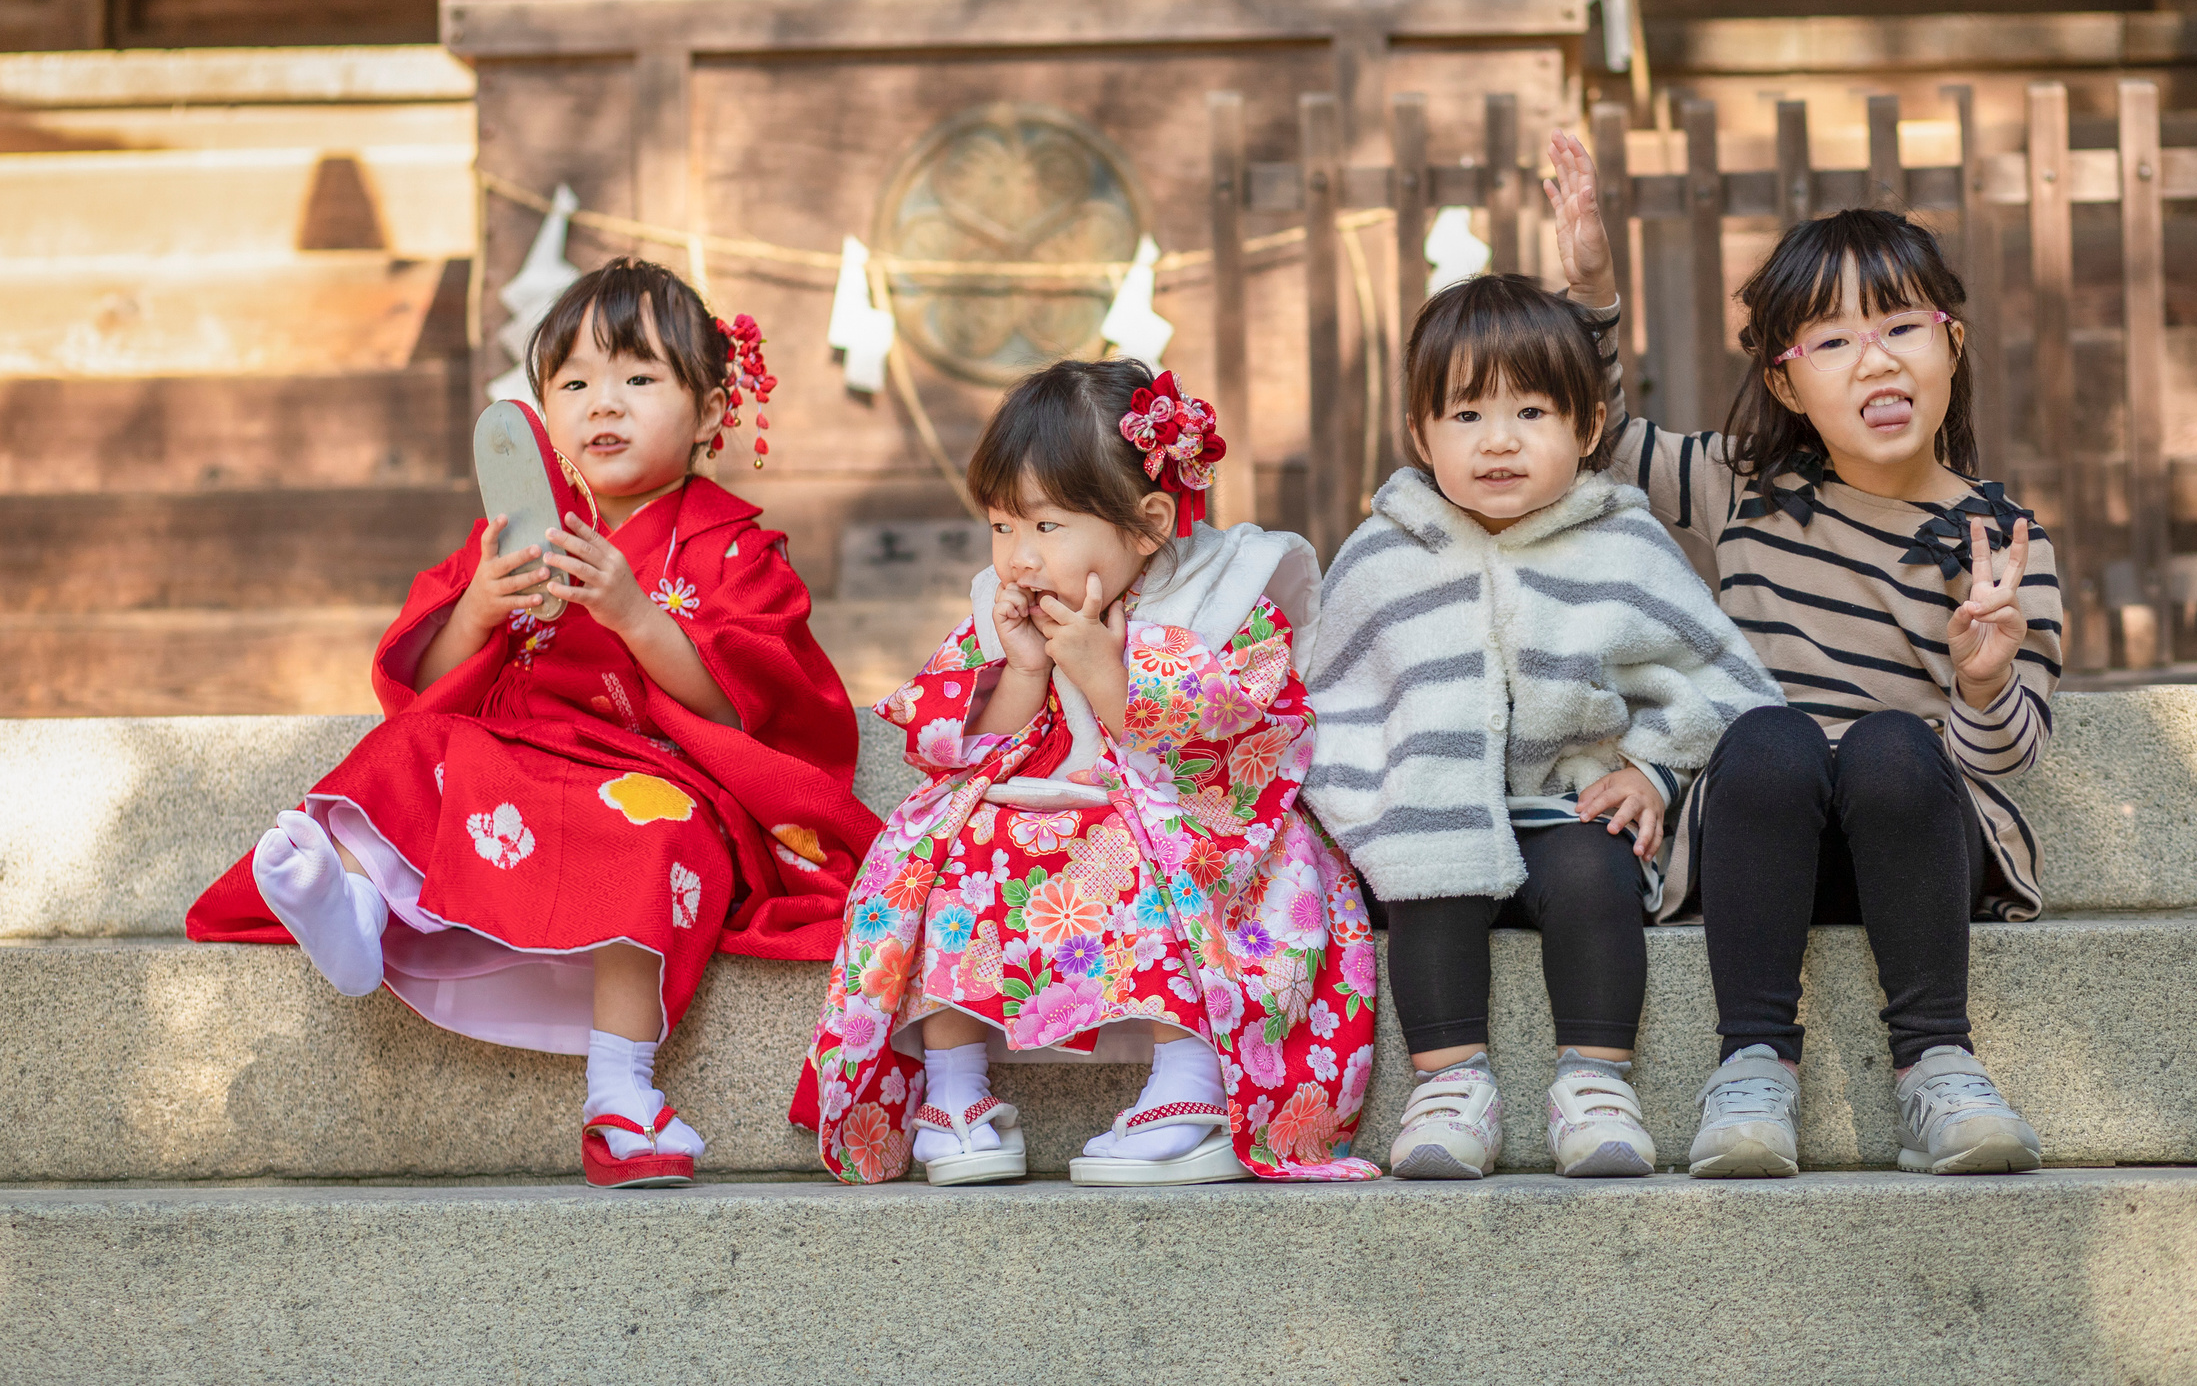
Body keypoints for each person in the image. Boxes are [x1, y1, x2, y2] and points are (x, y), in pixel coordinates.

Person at [186, 259, 876, 1189]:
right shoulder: (521, 526)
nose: (606, 404)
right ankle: (350, 912)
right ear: (545, 407)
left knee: (653, 833)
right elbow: (424, 684)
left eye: (640, 378)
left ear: (711, 412)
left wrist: (637, 615)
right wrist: (476, 609)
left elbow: (749, 702)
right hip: (525, 755)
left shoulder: (735, 547)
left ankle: (622, 1095)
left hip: (658, 773)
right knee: (413, 747)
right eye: (577, 382)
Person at [1543, 130, 2063, 1177]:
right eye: (1829, 341)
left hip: (1912, 838)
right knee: (1771, 738)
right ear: (1785, 387)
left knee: (1885, 746)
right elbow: (1595, 435)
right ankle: (1751, 1070)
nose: (1873, 358)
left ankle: (1937, 1071)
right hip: (1759, 837)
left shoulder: (1998, 540)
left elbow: (2009, 760)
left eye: (1901, 326)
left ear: (1951, 346)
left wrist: (1983, 679)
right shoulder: (1746, 488)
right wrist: (1590, 282)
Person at [799, 362, 1380, 1186]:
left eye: (1045, 525)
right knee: (948, 852)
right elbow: (951, 741)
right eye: (1002, 527)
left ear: (1146, 523)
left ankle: (1192, 1080)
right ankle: (956, 1088)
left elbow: (1247, 739)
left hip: (1194, 811)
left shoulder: (1223, 593)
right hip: (1047, 795)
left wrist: (1108, 672)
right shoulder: (1005, 605)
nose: (1019, 557)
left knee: (1143, 848)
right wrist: (1027, 671)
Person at [1304, 274, 1783, 1178]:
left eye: (1531, 410)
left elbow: (1725, 683)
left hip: (1573, 807)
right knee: (1428, 890)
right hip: (1433, 815)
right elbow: (1331, 707)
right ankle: (1449, 1089)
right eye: (1466, 414)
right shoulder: (1383, 549)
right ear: (1420, 434)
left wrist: (1653, 771)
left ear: (1587, 428)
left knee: (1595, 876)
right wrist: (1374, 814)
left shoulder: (1623, 544)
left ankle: (1595, 1084)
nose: (1498, 441)